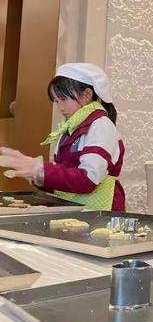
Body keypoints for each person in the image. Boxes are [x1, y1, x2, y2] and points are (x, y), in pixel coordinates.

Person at [0, 63, 125, 211]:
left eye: (64, 99)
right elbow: (64, 179)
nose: (60, 107)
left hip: (101, 212)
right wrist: (39, 177)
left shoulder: (101, 126)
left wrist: (42, 171)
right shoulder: (69, 129)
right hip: (75, 208)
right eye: (56, 101)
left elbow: (88, 180)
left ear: (87, 95)